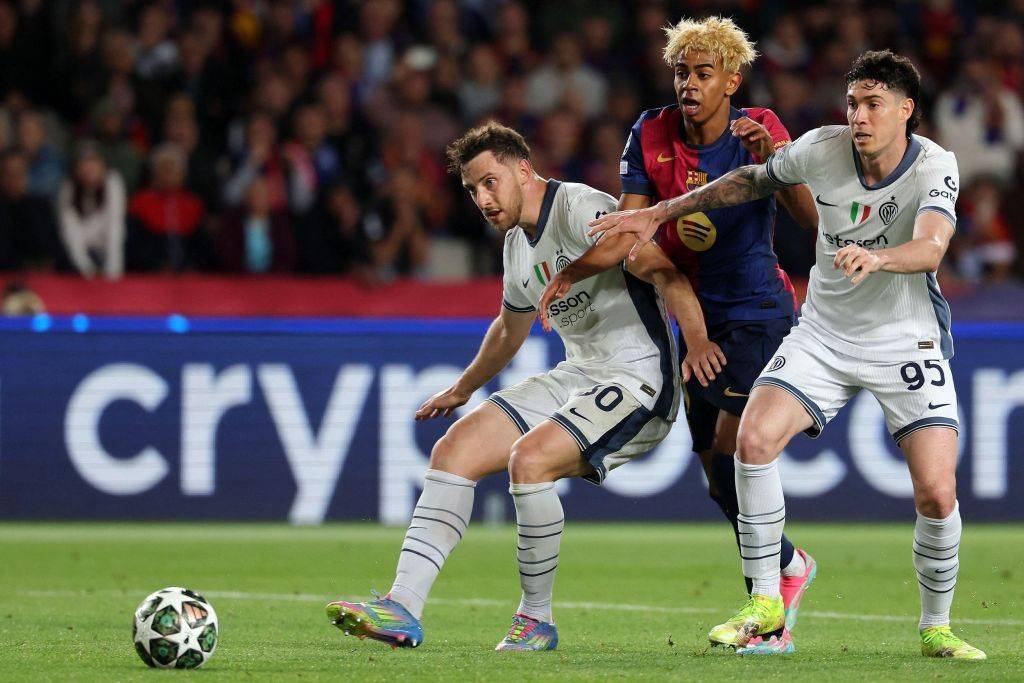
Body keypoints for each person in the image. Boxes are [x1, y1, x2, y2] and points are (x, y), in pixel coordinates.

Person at [588, 49, 986, 660]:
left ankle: (936, 625)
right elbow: (749, 181)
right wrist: (663, 211)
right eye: (852, 103)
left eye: (873, 104)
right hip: (823, 335)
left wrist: (879, 257)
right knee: (750, 442)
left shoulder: (935, 164)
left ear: (906, 110)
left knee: (936, 494)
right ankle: (766, 602)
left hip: (904, 339)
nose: (859, 116)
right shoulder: (822, 147)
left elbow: (932, 247)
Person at [325, 122, 694, 651]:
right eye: (472, 189)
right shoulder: (517, 248)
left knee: (530, 459)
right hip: (579, 374)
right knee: (454, 450)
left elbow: (652, 260)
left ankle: (536, 619)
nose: (482, 199)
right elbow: (508, 329)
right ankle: (401, 606)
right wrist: (462, 388)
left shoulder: (579, 208)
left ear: (523, 169)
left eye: (489, 182)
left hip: (638, 377)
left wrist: (696, 340)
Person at [539, 16, 818, 654]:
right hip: (694, 317)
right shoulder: (650, 131)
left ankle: (768, 618)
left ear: (731, 81)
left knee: (738, 449)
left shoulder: (760, 126)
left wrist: (775, 162)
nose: (689, 84)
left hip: (756, 311)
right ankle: (786, 563)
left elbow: (809, 217)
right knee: (717, 475)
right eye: (681, 73)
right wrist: (573, 271)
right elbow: (631, 228)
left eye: (703, 74)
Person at [57, 144, 126, 279]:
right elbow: (70, 233)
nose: (89, 168)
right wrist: (87, 270)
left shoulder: (113, 182)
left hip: (106, 248)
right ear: (76, 168)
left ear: (103, 166)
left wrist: (113, 272)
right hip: (78, 254)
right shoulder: (68, 188)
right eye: (84, 163)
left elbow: (115, 226)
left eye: (94, 162)